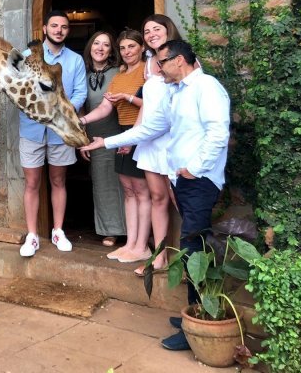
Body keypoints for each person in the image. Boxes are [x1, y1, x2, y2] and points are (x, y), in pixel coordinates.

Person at [79, 40, 230, 352]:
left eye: (162, 62)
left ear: (179, 60)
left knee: (193, 251)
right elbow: (149, 128)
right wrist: (104, 142)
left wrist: (194, 168)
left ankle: (198, 324)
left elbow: (218, 133)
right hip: (183, 179)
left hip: (199, 181)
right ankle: (193, 315)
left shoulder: (207, 87)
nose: (159, 69)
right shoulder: (176, 92)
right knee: (192, 248)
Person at [18, 10, 87, 257]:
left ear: (68, 31)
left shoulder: (76, 60)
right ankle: (32, 235)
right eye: (54, 26)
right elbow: (16, 89)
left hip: (61, 131)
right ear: (45, 28)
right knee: (32, 183)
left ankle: (58, 230)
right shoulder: (27, 57)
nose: (59, 30)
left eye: (64, 27)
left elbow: (81, 93)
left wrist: (62, 110)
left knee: (58, 181)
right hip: (31, 130)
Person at [78, 30, 148, 263]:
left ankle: (144, 245)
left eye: (132, 47)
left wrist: (127, 100)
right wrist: (81, 123)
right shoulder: (118, 76)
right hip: (117, 137)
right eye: (124, 48)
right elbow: (104, 107)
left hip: (133, 134)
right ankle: (132, 244)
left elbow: (152, 104)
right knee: (129, 189)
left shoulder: (147, 69)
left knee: (144, 192)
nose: (127, 52)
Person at [130, 14, 183, 275]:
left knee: (180, 200)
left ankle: (189, 260)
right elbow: (147, 106)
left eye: (156, 29)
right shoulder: (148, 63)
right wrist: (133, 135)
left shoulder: (183, 57)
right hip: (150, 141)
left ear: (168, 30)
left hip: (173, 141)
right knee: (158, 198)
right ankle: (159, 258)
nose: (151, 33)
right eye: (147, 30)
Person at [80, 31, 126, 247]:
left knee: (125, 184)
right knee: (102, 184)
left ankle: (130, 231)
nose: (100, 48)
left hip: (117, 134)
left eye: (106, 45)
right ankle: (110, 229)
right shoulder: (82, 74)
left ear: (111, 50)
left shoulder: (119, 72)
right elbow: (79, 106)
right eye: (96, 43)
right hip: (92, 136)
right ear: (90, 47)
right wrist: (82, 140)